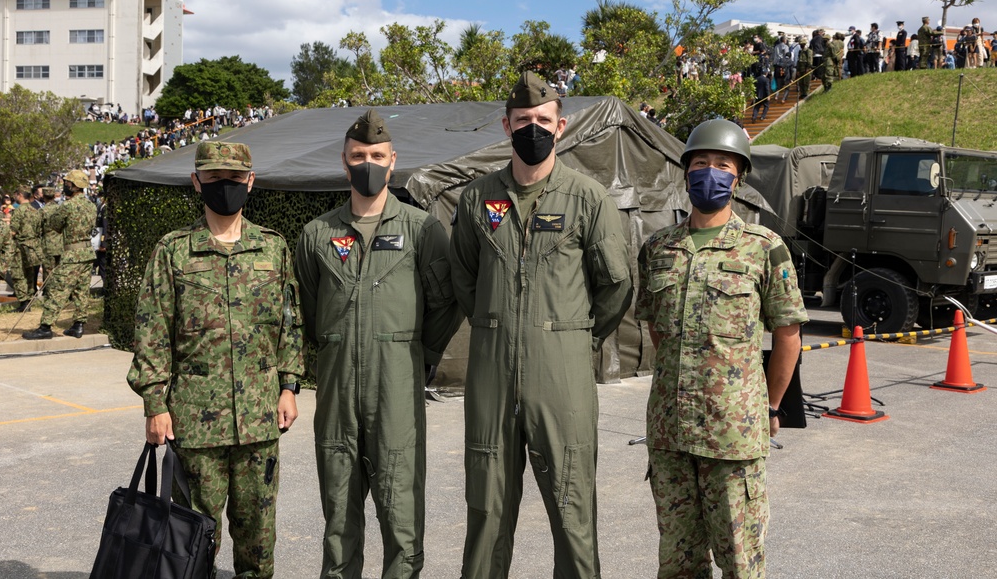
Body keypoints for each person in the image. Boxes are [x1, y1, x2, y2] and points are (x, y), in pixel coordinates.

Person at [450, 71, 633, 578]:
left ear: (562, 125)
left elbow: (616, 284)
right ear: (505, 126)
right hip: (492, 374)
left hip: (562, 375)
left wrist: (575, 336)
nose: (533, 128)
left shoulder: (587, 197)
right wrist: (496, 324)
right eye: (523, 120)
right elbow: (464, 277)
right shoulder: (476, 199)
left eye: (543, 120)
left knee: (572, 508)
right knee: (486, 509)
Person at [635, 119, 807, 578]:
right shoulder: (658, 248)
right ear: (686, 171)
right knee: (677, 560)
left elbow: (788, 335)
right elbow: (658, 329)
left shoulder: (763, 247)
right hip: (670, 433)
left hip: (733, 435)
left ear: (738, 177)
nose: (709, 172)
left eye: (722, 165)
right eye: (700, 163)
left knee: (740, 558)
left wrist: (769, 405)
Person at [294, 109, 463, 578]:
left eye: (376, 155)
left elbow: (445, 304)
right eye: (358, 155)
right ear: (344, 162)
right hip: (337, 395)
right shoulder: (317, 235)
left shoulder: (422, 229)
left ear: (393, 162)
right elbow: (310, 309)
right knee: (338, 517)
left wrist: (416, 356)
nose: (367, 162)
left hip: (397, 393)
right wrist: (333, 350)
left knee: (401, 514)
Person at [127, 141, 304, 578]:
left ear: (250, 181)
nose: (224, 186)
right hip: (194, 423)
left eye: (233, 179)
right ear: (196, 182)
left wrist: (290, 386)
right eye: (213, 179)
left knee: (259, 542)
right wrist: (155, 403)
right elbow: (151, 330)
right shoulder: (173, 251)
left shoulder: (273, 248)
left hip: (260, 420)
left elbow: (290, 323)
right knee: (192, 540)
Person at [22, 172, 95, 339]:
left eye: (68, 184)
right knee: (81, 291)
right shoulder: (91, 205)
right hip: (87, 252)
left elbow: (55, 225)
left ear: (75, 186)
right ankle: (78, 325)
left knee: (57, 289)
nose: (65, 187)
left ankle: (45, 326)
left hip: (72, 254)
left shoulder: (67, 206)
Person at [9, 186, 42, 311]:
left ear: (20, 194)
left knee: (18, 274)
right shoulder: (35, 210)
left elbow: (13, 231)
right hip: (33, 245)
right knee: (30, 273)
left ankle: (23, 302)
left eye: (16, 194)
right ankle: (29, 299)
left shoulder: (19, 211)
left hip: (21, 246)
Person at [39, 187, 63, 288]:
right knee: (60, 272)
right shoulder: (61, 209)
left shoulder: (42, 211)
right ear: (54, 196)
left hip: (48, 245)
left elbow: (38, 229)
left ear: (43, 197)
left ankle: (48, 293)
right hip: (61, 244)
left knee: (48, 272)